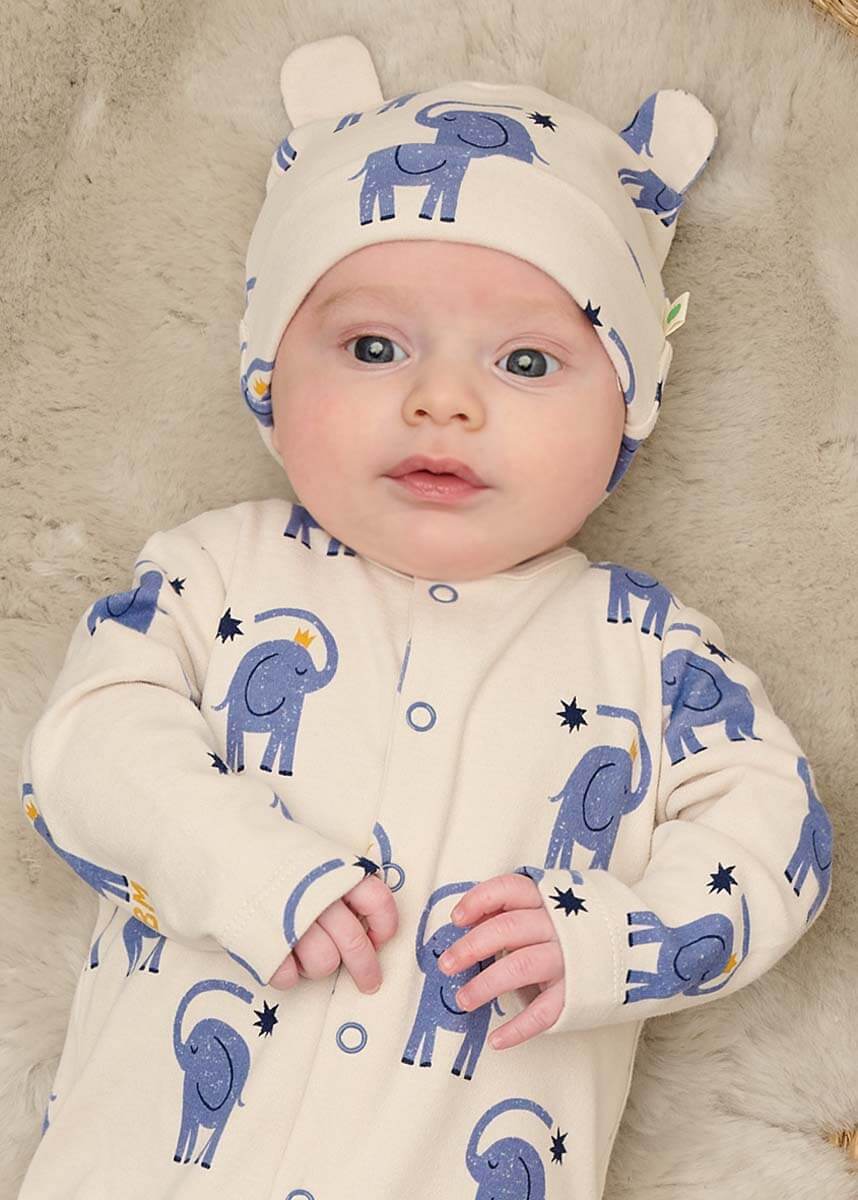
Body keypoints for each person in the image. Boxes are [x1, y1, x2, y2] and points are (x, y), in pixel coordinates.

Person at [16, 33, 834, 1200]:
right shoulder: (212, 572)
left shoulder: (647, 652)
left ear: (626, 414)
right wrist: (231, 861)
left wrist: (614, 937)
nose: (440, 400)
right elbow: (83, 751)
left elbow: (781, 838)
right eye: (373, 346)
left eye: (527, 362)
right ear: (270, 376)